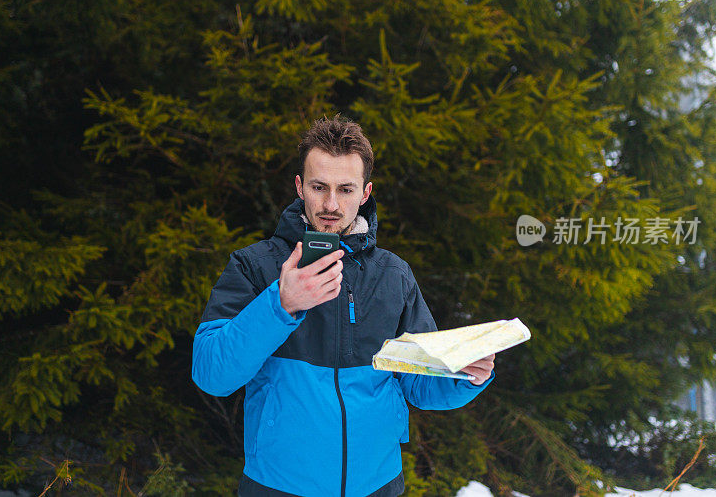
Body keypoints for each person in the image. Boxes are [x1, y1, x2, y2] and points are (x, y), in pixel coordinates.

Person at [192, 115, 495, 497]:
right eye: (319, 187)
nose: (331, 204)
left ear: (365, 193)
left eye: (346, 189)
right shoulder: (255, 266)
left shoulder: (393, 275)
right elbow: (211, 373)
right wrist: (279, 305)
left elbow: (420, 383)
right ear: (300, 187)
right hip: (277, 487)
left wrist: (464, 374)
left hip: (378, 487)